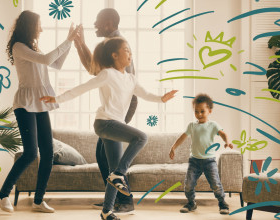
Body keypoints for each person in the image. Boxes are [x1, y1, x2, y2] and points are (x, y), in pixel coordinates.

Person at [40, 37, 177, 220]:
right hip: (105, 123)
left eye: (130, 50)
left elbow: (146, 95)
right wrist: (57, 99)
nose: (130, 53)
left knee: (113, 169)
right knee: (141, 138)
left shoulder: (130, 79)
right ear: (114, 55)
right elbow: (83, 88)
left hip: (115, 125)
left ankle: (106, 211)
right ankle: (119, 175)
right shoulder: (107, 74)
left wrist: (162, 98)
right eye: (126, 50)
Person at [0, 10, 77, 213]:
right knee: (31, 153)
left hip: (40, 103)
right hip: (25, 104)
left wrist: (71, 42)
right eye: (39, 24)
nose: (41, 28)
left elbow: (55, 63)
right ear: (30, 26)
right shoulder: (19, 47)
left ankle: (38, 201)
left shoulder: (34, 48)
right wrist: (67, 40)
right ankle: (3, 194)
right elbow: (49, 59)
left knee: (47, 153)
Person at [73, 8, 137, 213]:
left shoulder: (117, 45)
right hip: (115, 110)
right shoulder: (106, 45)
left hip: (120, 109)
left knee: (112, 159)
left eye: (98, 21)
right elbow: (93, 69)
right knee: (102, 155)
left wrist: (120, 118)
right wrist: (79, 43)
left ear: (109, 23)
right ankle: (115, 198)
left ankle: (125, 202)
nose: (94, 24)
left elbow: (125, 84)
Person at [169, 94, 233, 215]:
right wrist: (173, 147)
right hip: (194, 161)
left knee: (215, 184)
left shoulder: (213, 125)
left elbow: (223, 134)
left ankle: (222, 203)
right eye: (196, 111)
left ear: (209, 111)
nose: (199, 114)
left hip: (209, 161)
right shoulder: (192, 126)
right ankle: (191, 203)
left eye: (202, 111)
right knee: (188, 184)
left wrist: (227, 142)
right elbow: (182, 137)